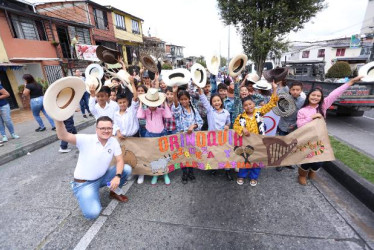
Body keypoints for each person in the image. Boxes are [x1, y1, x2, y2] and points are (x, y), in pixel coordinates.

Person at [56, 116, 132, 219]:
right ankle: (81, 191)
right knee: (93, 213)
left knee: (126, 169)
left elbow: (120, 160)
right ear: (96, 129)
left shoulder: (113, 141)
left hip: (102, 177)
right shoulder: (86, 139)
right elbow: (63, 135)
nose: (106, 131)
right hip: (85, 183)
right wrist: (58, 118)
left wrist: (117, 176)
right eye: (103, 128)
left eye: (109, 128)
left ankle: (113, 192)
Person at [296, 76, 362, 185]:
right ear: (308, 96)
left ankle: (313, 171)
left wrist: (350, 82)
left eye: (318, 96)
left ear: (321, 98)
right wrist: (311, 118)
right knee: (306, 161)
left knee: (319, 161)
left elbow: (334, 94)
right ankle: (302, 175)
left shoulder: (323, 106)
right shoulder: (302, 111)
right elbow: (300, 125)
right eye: (313, 95)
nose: (315, 97)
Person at [233, 81, 279, 186]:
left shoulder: (260, 112)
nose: (248, 106)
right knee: (245, 159)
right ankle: (242, 176)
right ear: (243, 107)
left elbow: (272, 104)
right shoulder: (240, 117)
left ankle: (254, 177)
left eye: (250, 104)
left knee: (257, 160)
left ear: (254, 104)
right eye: (246, 105)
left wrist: (275, 89)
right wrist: (242, 129)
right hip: (246, 143)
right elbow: (235, 126)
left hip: (259, 142)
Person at [137, 88, 172, 185]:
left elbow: (168, 115)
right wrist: (141, 103)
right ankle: (155, 175)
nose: (152, 106)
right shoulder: (146, 111)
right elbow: (139, 116)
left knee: (163, 155)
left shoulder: (161, 110)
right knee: (153, 155)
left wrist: (164, 102)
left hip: (161, 134)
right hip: (150, 135)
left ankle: (165, 174)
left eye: (154, 104)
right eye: (150, 104)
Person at [197, 86, 233, 180]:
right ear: (211, 103)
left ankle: (227, 171)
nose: (216, 102)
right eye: (214, 101)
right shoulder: (210, 111)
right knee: (213, 153)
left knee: (225, 154)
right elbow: (203, 98)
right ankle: (214, 168)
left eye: (218, 100)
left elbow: (229, 122)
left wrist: (228, 126)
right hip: (212, 138)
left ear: (221, 101)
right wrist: (199, 87)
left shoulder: (226, 112)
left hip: (223, 138)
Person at [172, 87, 203, 184]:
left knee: (191, 154)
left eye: (185, 99)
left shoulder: (193, 109)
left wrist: (194, 126)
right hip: (181, 137)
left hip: (192, 137)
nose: (184, 101)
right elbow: (176, 106)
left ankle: (191, 172)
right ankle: (184, 173)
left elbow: (200, 121)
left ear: (189, 99)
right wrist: (174, 93)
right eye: (181, 99)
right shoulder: (179, 109)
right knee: (183, 155)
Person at [275, 81, 305, 171]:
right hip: (283, 125)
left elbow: (303, 115)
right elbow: (279, 109)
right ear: (290, 90)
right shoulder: (284, 98)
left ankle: (287, 162)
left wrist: (295, 125)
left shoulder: (303, 101)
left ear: (301, 91)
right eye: (293, 89)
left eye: (298, 90)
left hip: (295, 126)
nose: (295, 91)